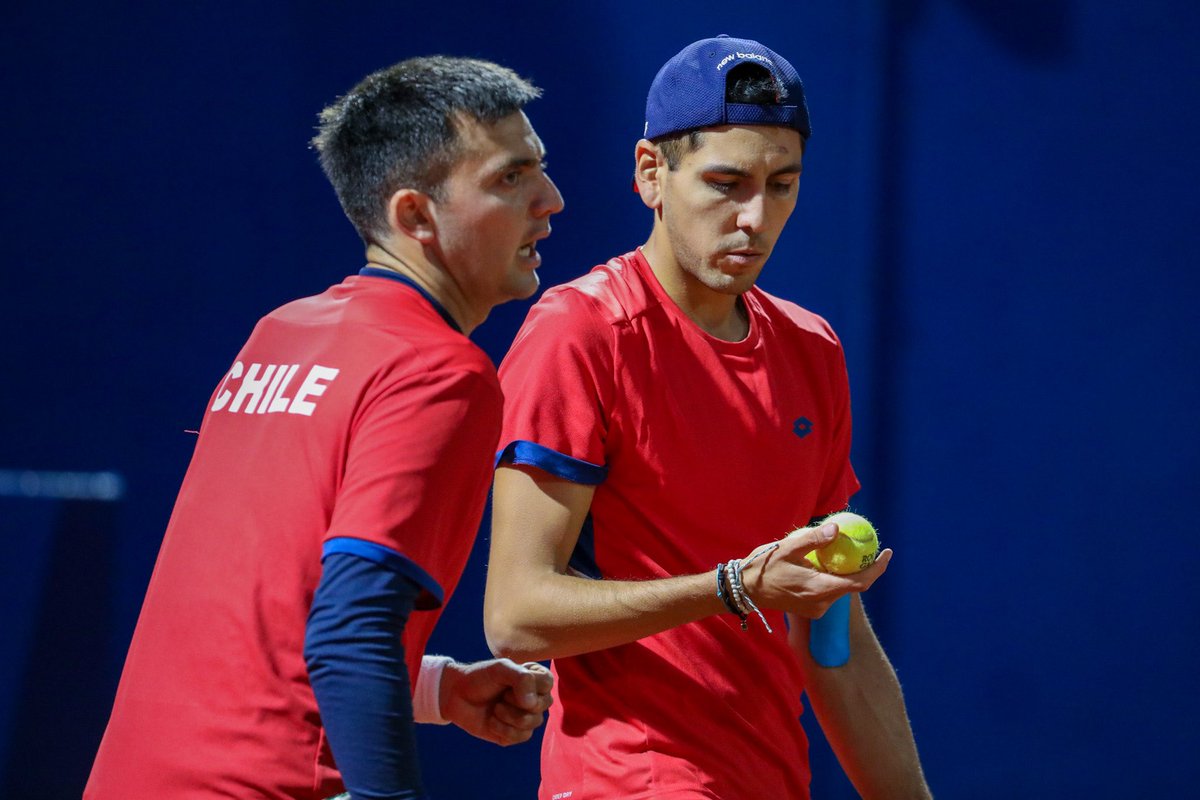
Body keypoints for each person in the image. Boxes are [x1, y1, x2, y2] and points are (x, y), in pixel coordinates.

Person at [86, 55, 563, 800]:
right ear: (415, 216)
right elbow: (348, 631)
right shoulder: (440, 372)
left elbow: (257, 617)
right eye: (511, 178)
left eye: (539, 168)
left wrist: (436, 688)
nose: (550, 200)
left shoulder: (281, 334)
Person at [484, 35, 931, 799]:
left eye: (782, 184)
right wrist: (734, 586)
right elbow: (518, 616)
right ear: (651, 174)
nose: (755, 218)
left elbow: (834, 639)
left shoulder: (811, 349)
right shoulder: (579, 332)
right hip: (627, 780)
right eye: (726, 184)